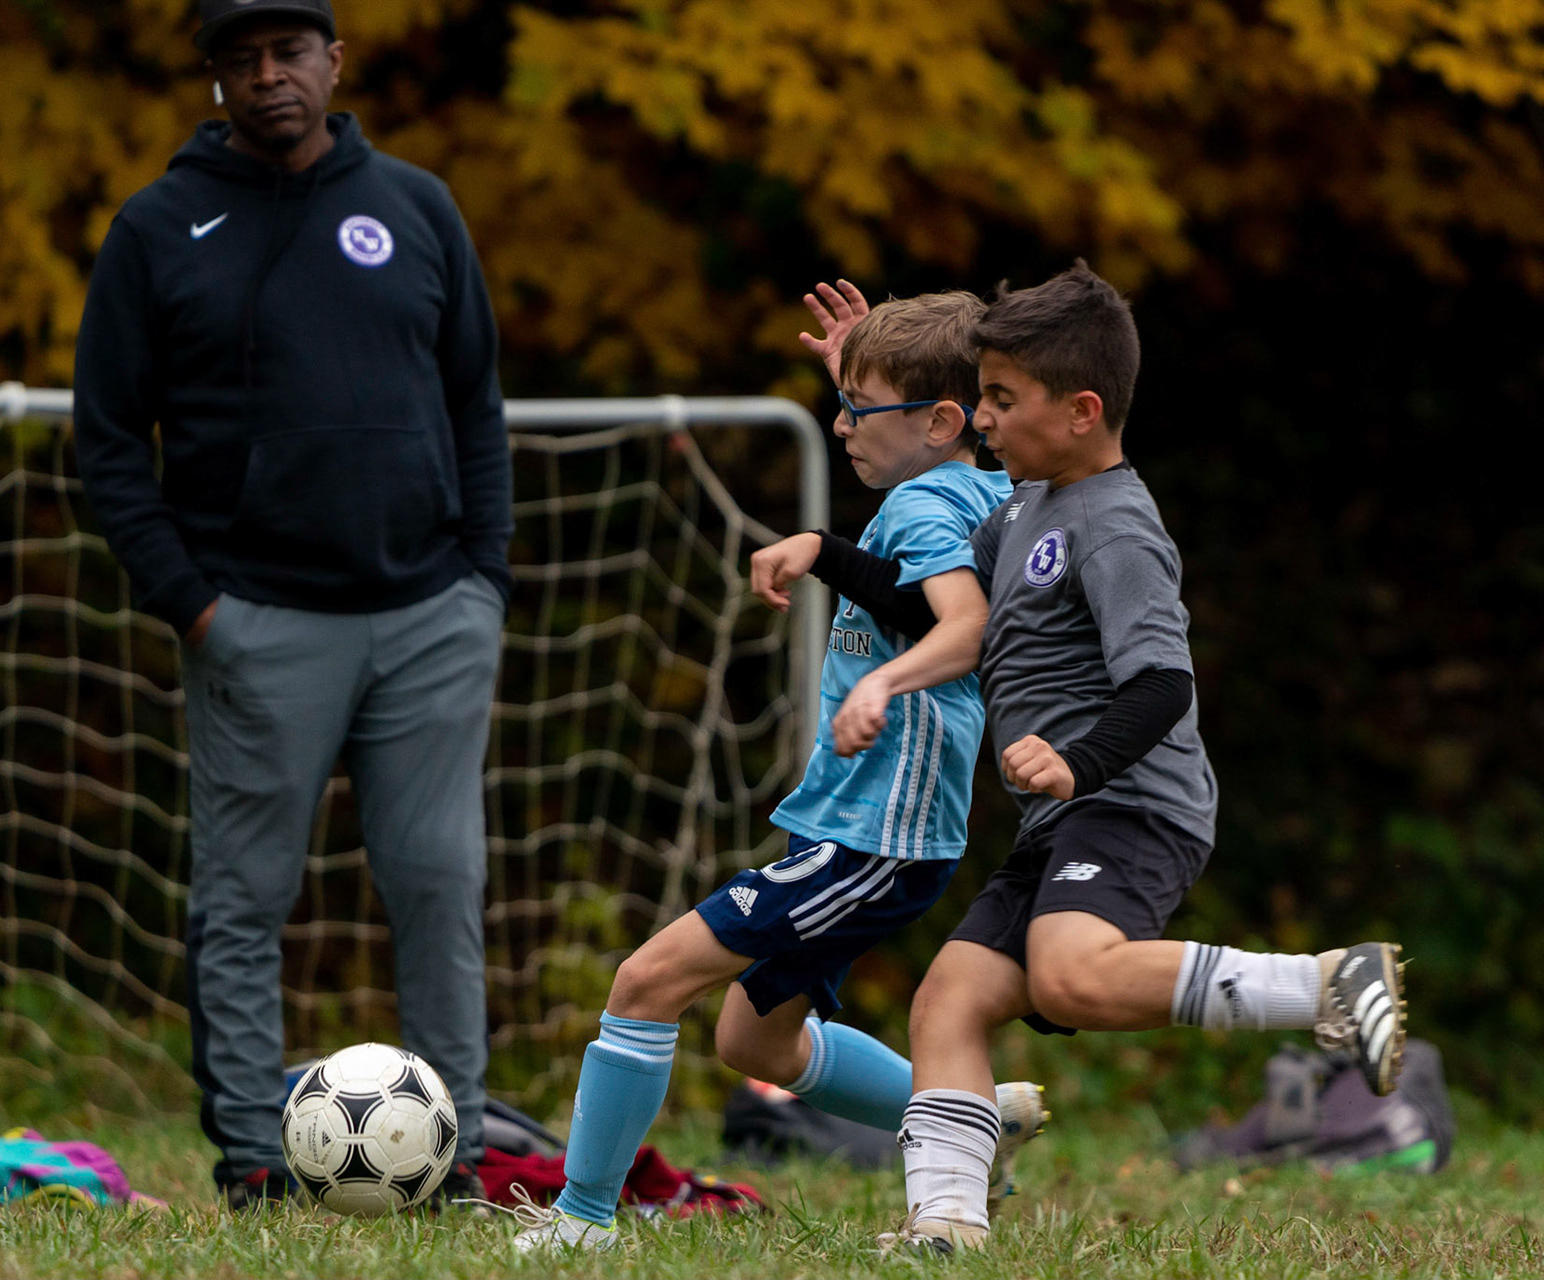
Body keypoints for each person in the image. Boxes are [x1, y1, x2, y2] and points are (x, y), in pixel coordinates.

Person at [822, 261, 1408, 1255]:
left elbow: (1163, 683)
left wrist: (1078, 763)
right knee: (949, 1000)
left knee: (1070, 979)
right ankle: (947, 1225)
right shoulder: (1022, 509)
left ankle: (1326, 987)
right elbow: (927, 604)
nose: (983, 418)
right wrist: (820, 551)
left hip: (1131, 803)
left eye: (1002, 399)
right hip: (1064, 817)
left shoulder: (1115, 526)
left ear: (1082, 410)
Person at [72, 0, 511, 1212]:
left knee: (438, 887)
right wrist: (191, 602)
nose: (270, 76)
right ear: (218, 78)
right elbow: (107, 440)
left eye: (290, 52)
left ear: (333, 61)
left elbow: (475, 399)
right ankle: (253, 1162)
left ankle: (456, 1159)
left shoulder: (415, 206)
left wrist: (484, 579)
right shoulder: (158, 227)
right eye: (243, 59)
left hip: (431, 615)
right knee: (244, 900)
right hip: (257, 622)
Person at [508, 289, 1045, 1252]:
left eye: (857, 410)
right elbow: (907, 578)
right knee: (752, 1041)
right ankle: (969, 1115)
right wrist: (864, 383)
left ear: (940, 422)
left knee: (645, 980)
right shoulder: (969, 488)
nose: (840, 427)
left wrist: (881, 685)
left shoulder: (923, 502)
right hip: (861, 829)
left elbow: (965, 627)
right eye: (841, 404)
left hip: (873, 838)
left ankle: (582, 1221)